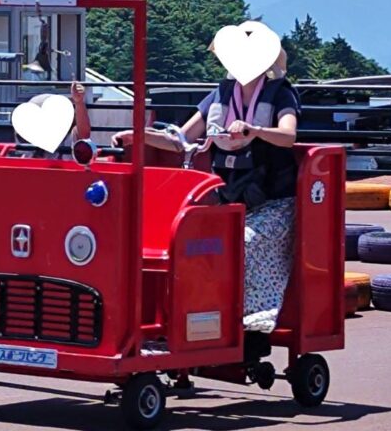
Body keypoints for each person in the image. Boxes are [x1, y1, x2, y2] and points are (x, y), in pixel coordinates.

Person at [112, 24, 300, 340]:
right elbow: (182, 140)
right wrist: (139, 136)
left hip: (274, 203)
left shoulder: (280, 93)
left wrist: (255, 130)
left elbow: (289, 136)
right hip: (229, 199)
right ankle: (190, 320)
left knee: (243, 244)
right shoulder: (220, 95)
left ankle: (250, 325)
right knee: (193, 246)